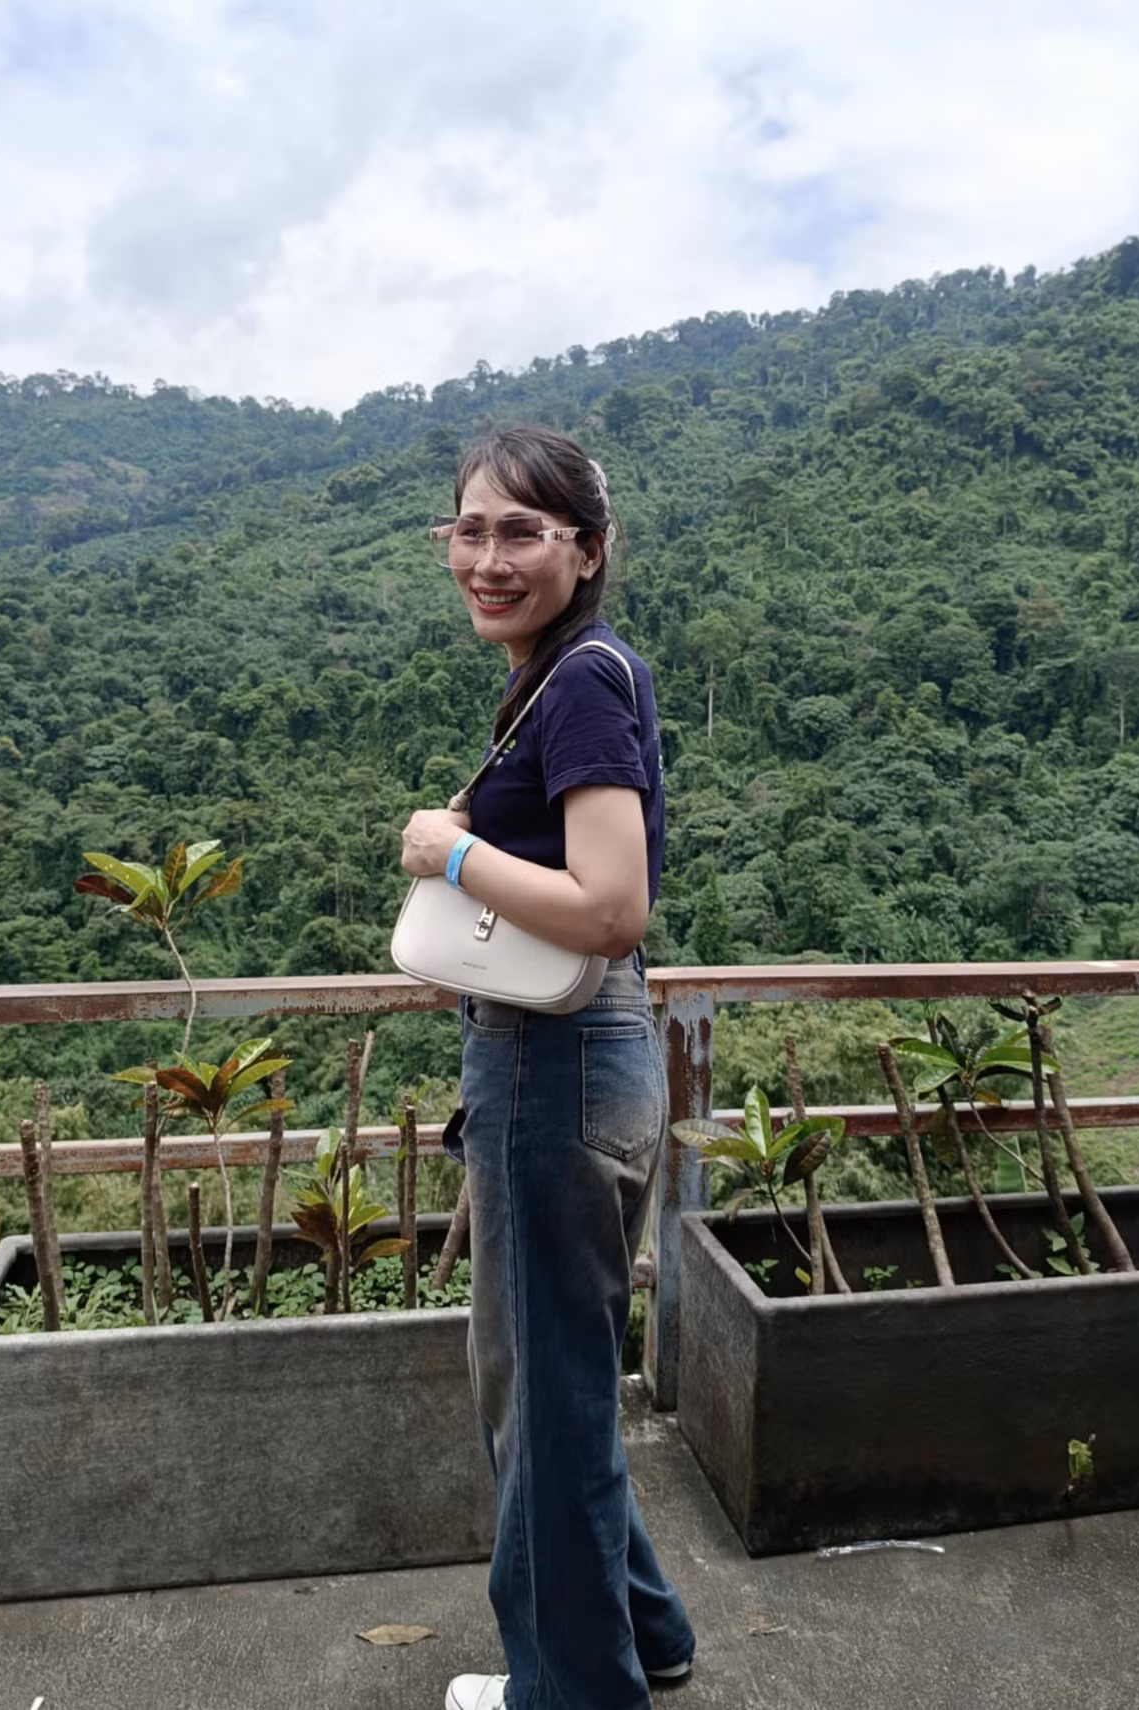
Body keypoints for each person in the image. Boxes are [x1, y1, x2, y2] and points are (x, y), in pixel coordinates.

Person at [400, 427, 695, 1710]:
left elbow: (610, 906)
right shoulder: (570, 674)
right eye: (468, 531)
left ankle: (571, 1693)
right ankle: (645, 1633)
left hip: (553, 1055)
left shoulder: (577, 683)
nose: (488, 558)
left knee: (541, 1395)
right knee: (557, 1376)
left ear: (589, 548)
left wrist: (449, 854)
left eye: (522, 532)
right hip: (583, 1054)